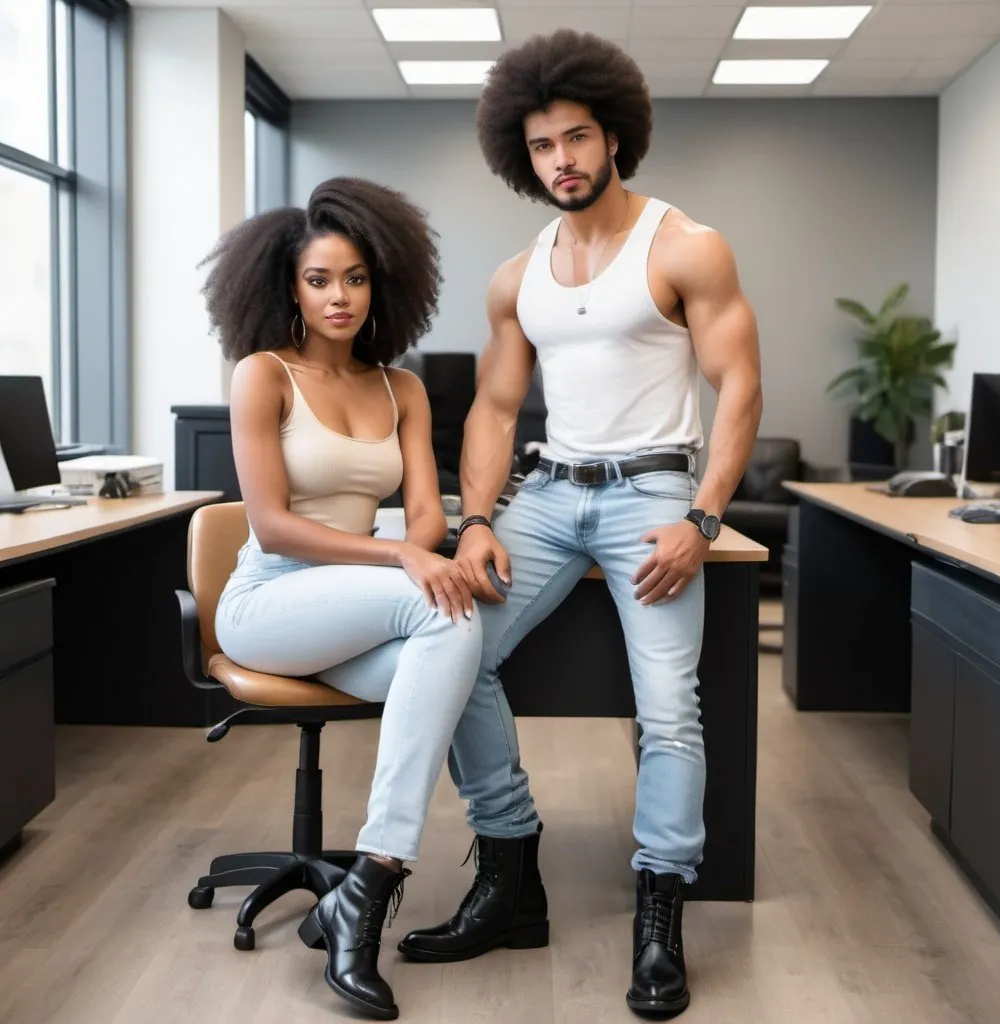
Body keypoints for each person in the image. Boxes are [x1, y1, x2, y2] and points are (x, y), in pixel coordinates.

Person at [397, 31, 763, 1018]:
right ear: (522, 156)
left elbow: (737, 389)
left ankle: (660, 912)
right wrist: (477, 520)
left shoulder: (686, 246)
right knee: (455, 652)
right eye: (542, 144)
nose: (560, 157)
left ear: (614, 137)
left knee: (668, 704)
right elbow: (492, 409)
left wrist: (704, 516)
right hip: (547, 495)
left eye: (576, 137)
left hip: (654, 495)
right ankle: (512, 874)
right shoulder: (518, 277)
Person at [200, 176, 482, 1021]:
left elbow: (429, 511)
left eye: (355, 278)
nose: (338, 296)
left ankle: (364, 888)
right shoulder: (263, 376)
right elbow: (276, 528)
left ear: (382, 283)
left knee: (457, 633)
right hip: (270, 605)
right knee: (439, 608)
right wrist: (402, 552)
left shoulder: (402, 389)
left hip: (353, 606)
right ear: (288, 285)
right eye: (319, 279)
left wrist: (439, 542)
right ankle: (376, 888)